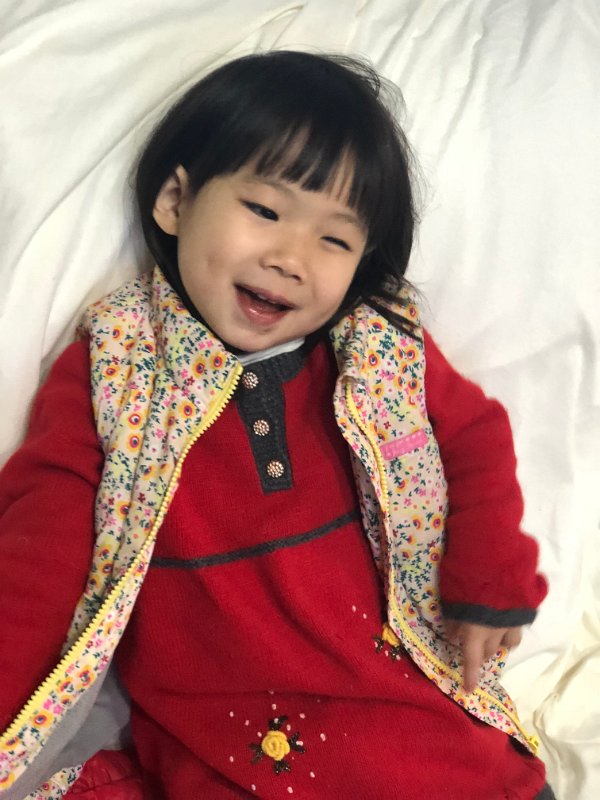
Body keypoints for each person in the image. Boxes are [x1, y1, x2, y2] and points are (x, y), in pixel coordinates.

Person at [0, 51, 554, 799]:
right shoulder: (116, 361)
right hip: (223, 730)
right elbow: (39, 551)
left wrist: (490, 577)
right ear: (175, 202)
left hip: (399, 700)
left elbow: (475, 435)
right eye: (264, 211)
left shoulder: (378, 346)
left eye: (335, 240)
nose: (293, 259)